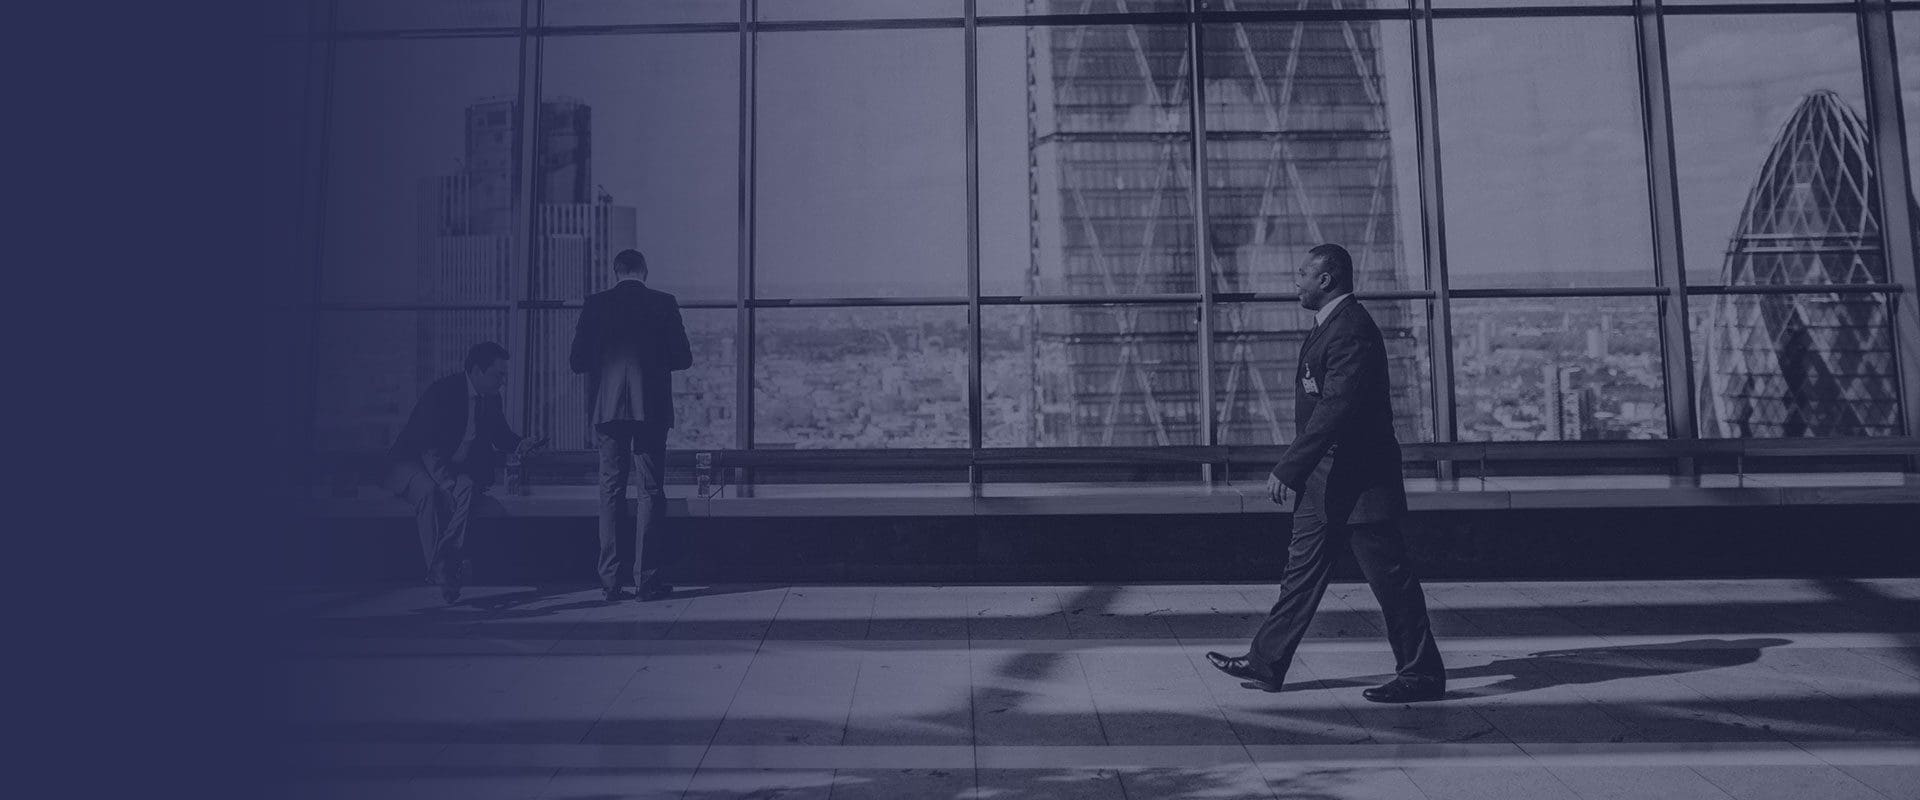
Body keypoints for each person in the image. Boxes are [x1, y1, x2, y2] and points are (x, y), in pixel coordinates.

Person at [1206, 243, 1447, 703]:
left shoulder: (1351, 330)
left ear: (1326, 280)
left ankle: (1422, 675)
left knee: (1392, 584)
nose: (1295, 281)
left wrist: (1289, 467)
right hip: (1326, 483)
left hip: (1360, 485)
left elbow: (1337, 407)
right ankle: (1265, 662)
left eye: (1302, 274)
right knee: (1299, 577)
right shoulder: (1330, 326)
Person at [571, 249, 693, 603]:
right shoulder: (664, 303)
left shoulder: (595, 305)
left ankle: (610, 582)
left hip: (607, 410)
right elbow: (683, 358)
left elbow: (578, 361)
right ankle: (647, 581)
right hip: (650, 409)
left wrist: (607, 360)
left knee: (609, 491)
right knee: (650, 492)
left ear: (615, 271)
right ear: (645, 271)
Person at [386, 342, 539, 604]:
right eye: (497, 375)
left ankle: (444, 560)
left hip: (447, 467)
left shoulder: (491, 398)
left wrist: (519, 443)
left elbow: (500, 434)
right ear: (476, 371)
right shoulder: (443, 392)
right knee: (429, 492)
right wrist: (446, 483)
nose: (502, 381)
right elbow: (427, 446)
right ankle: (443, 569)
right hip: (410, 462)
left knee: (467, 487)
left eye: (504, 375)